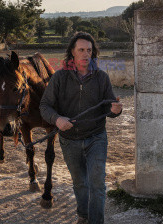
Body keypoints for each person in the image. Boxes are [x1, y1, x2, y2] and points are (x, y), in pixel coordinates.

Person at [40, 31, 123, 224]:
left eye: (89, 50)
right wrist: (57, 119)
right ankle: (83, 216)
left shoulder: (101, 77)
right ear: (72, 52)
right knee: (80, 183)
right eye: (81, 50)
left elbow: (109, 109)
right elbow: (44, 106)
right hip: (69, 141)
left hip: (96, 137)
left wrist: (115, 109)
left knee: (97, 184)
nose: (86, 54)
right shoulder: (60, 77)